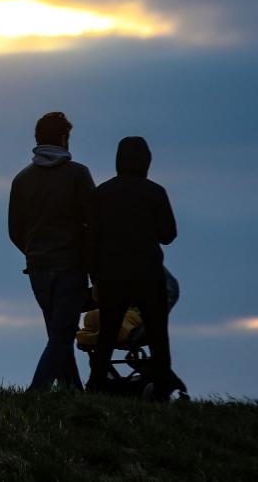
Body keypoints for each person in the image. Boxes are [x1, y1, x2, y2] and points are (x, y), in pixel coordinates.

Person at [8, 111, 97, 392]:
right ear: (63, 138)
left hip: (38, 269)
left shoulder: (22, 179)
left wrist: (33, 252)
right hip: (71, 266)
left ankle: (72, 391)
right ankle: (37, 391)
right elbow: (95, 222)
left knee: (57, 333)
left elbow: (14, 230)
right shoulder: (78, 174)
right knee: (63, 334)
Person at [87, 136, 179, 397]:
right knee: (158, 337)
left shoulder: (102, 193)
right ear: (146, 161)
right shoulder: (156, 192)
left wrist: (95, 279)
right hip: (149, 274)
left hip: (112, 275)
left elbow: (91, 240)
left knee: (107, 336)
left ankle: (96, 386)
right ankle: (161, 389)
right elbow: (168, 235)